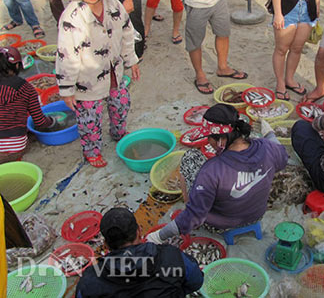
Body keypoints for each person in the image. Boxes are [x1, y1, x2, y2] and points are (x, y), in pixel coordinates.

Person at [146, 104, 288, 241]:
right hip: (257, 215)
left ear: (221, 140)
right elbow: (282, 156)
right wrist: (269, 133)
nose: (208, 142)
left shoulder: (211, 171)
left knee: (190, 157)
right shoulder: (268, 148)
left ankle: (188, 202)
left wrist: (159, 236)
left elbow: (194, 217)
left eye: (209, 138)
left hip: (222, 225)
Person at [55, 0, 140, 168]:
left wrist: (131, 60)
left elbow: (127, 32)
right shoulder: (71, 18)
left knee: (120, 103)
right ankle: (92, 151)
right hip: (86, 79)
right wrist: (66, 89)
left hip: (114, 71)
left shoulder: (114, 5)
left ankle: (118, 132)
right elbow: (66, 56)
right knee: (89, 118)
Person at [75, 207, 203, 297]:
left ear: (106, 245)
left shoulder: (90, 280)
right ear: (139, 231)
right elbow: (196, 281)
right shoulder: (172, 256)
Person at [0, 47, 54, 169]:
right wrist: (53, 121)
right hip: (18, 150)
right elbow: (40, 122)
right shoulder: (27, 89)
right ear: (17, 66)